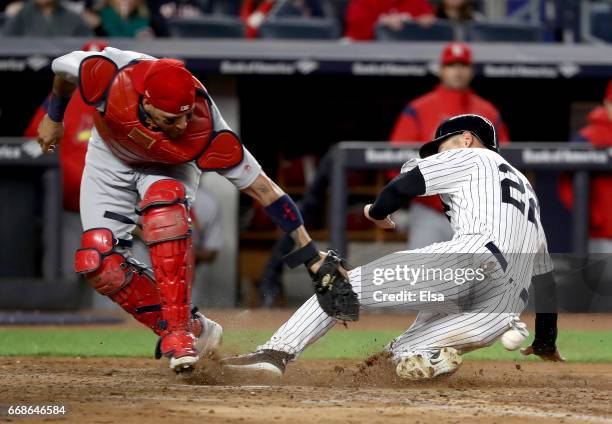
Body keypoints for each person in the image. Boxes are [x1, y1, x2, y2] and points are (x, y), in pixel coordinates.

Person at [36, 47, 328, 372]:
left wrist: (311, 252)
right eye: (172, 118)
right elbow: (62, 70)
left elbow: (265, 189)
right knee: (99, 262)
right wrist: (54, 116)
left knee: (165, 210)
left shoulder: (207, 130)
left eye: (188, 115)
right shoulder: (108, 75)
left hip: (170, 166)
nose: (183, 125)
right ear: (145, 101)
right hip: (111, 156)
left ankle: (179, 335)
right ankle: (197, 329)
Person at [221, 114, 563, 381]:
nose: (437, 155)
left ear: (466, 139)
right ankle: (427, 356)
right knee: (398, 358)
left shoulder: (473, 157)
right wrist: (546, 340)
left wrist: (377, 212)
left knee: (342, 289)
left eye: (440, 147)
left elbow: (406, 184)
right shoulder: (527, 191)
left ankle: (274, 355)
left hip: (469, 261)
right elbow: (546, 280)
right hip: (499, 312)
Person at [391, 42, 510, 250]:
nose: (457, 71)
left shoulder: (487, 111)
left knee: (476, 280)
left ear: (471, 71)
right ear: (441, 70)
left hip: (476, 215)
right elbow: (393, 160)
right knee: (423, 279)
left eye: (463, 65)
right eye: (451, 65)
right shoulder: (418, 109)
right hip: (429, 211)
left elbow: (506, 164)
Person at [24, 40, 108, 283]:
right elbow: (37, 142)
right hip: (70, 209)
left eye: (98, 65)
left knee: (111, 280)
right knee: (64, 277)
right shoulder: (61, 97)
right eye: (87, 65)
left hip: (112, 209)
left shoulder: (121, 96)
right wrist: (56, 159)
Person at [559, 80, 612, 254]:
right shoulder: (588, 138)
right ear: (606, 103)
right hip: (602, 236)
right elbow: (567, 185)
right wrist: (590, 217)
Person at [344, 0, 436, 41]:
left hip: (409, 58)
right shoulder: (362, 2)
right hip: (368, 59)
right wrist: (382, 25)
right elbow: (356, 34)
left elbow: (431, 27)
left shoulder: (418, 2)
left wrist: (426, 26)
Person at [3, 0, 92, 36]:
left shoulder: (73, 16)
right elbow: (5, 41)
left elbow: (88, 45)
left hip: (65, 70)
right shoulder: (21, 13)